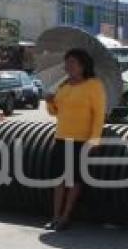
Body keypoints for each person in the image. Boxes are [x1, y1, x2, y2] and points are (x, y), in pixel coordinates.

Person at [45, 48, 106, 231]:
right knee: (58, 179)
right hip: (61, 137)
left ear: (83, 66)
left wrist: (95, 139)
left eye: (72, 63)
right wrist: (49, 101)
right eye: (67, 63)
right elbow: (55, 112)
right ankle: (55, 216)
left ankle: (65, 216)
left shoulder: (94, 85)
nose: (68, 66)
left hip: (81, 140)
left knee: (74, 180)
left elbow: (99, 114)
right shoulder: (63, 86)